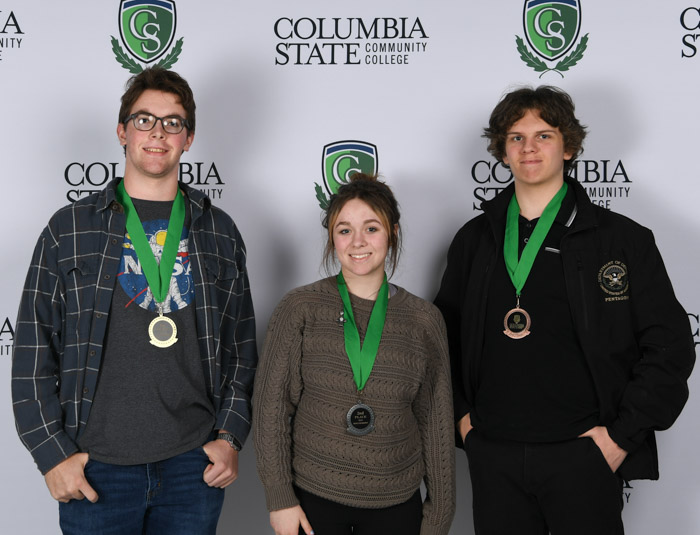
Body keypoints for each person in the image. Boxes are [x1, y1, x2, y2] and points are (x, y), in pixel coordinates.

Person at [435, 85, 695, 534]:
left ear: (569, 146)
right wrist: (464, 424)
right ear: (501, 152)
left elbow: (670, 348)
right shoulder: (475, 240)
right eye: (515, 137)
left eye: (544, 135)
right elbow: (442, 339)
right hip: (493, 452)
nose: (528, 147)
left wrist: (619, 439)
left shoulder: (622, 240)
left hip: (584, 453)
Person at [11, 67, 257, 534]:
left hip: (192, 467)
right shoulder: (70, 229)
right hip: (95, 468)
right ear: (122, 131)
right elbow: (31, 352)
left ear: (188, 138)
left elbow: (242, 348)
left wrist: (229, 437)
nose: (157, 133)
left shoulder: (219, 230)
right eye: (144, 120)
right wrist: (51, 455)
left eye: (172, 122)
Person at [254, 173, 455, 535]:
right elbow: (271, 408)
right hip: (312, 502)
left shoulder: (424, 320)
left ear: (392, 232)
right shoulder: (300, 307)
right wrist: (279, 497)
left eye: (371, 228)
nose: (357, 242)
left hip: (396, 505)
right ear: (332, 237)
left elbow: (436, 424)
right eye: (345, 230)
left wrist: (439, 515)